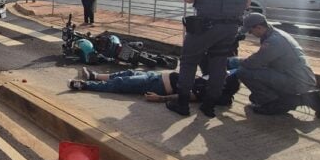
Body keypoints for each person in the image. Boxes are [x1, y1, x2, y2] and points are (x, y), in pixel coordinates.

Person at [166, 0, 253, 118]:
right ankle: (209, 106)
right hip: (230, 28)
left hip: (205, 26)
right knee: (219, 64)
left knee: (189, 61)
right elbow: (247, 4)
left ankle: (182, 103)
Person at [237, 13, 320, 117]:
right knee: (255, 96)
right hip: (298, 77)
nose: (250, 33)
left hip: (295, 80)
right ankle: (298, 98)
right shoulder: (275, 34)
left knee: (243, 72)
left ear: (259, 27)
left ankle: (273, 104)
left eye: (250, 31)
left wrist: (236, 61)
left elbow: (253, 63)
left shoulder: (274, 41)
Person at [68, 65, 240, 106]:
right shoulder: (212, 78)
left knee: (121, 83)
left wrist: (160, 98)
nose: (224, 72)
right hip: (157, 76)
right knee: (127, 73)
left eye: (226, 75)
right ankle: (95, 76)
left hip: (158, 85)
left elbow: (186, 96)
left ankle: (85, 85)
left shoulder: (208, 90)